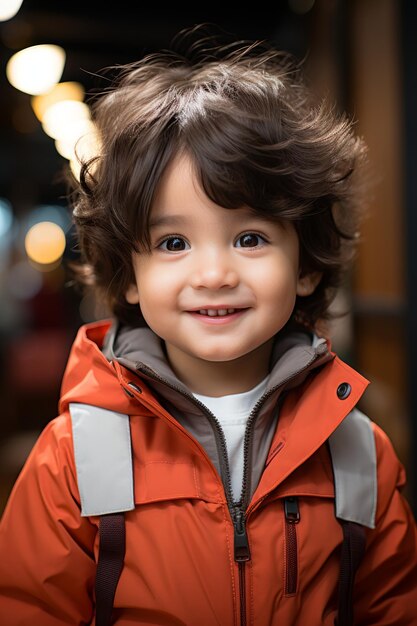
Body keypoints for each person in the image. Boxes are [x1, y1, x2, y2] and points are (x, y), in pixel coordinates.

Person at [0, 25, 416, 626]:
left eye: (250, 238)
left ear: (304, 265)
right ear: (130, 276)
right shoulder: (73, 456)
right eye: (174, 242)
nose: (215, 272)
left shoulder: (357, 451)